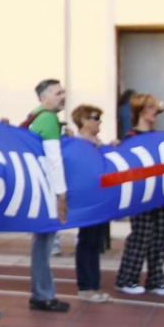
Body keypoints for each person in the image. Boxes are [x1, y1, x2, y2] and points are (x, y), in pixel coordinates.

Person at [116, 93, 164, 297]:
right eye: (151, 107)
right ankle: (127, 278)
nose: (155, 112)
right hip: (142, 194)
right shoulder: (131, 137)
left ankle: (155, 280)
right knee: (141, 237)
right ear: (141, 110)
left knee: (161, 236)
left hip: (162, 193)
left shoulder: (160, 137)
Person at [23, 79, 71, 314]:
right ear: (44, 98)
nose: (63, 96)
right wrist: (61, 193)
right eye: (58, 93)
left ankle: (41, 292)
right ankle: (43, 295)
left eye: (63, 92)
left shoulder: (34, 116)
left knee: (41, 243)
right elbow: (53, 158)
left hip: (36, 187)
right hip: (46, 189)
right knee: (44, 244)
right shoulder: (49, 119)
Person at [69, 104, 111, 303]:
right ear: (84, 120)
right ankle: (85, 286)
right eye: (95, 117)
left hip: (101, 199)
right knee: (87, 241)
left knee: (96, 242)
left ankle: (94, 284)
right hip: (87, 200)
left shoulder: (100, 144)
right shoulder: (75, 143)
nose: (99, 121)